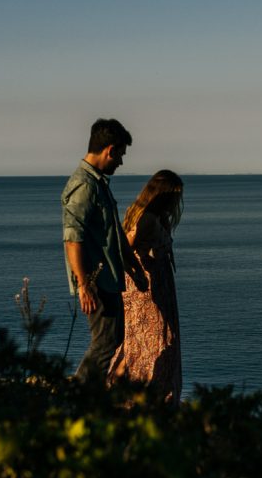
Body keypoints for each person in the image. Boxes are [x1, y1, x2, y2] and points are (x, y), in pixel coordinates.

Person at [61, 118, 146, 381]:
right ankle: (79, 395)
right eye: (120, 154)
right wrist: (84, 284)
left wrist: (131, 265)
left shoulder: (98, 184)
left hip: (108, 276)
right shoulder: (85, 185)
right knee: (106, 340)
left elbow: (114, 232)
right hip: (96, 280)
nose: (120, 162)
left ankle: (89, 393)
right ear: (109, 150)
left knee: (113, 335)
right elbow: (73, 238)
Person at [108, 170, 185, 405]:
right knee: (152, 341)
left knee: (144, 341)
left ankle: (130, 392)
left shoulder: (153, 217)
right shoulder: (148, 219)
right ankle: (148, 396)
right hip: (146, 292)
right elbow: (122, 249)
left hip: (158, 288)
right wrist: (139, 272)